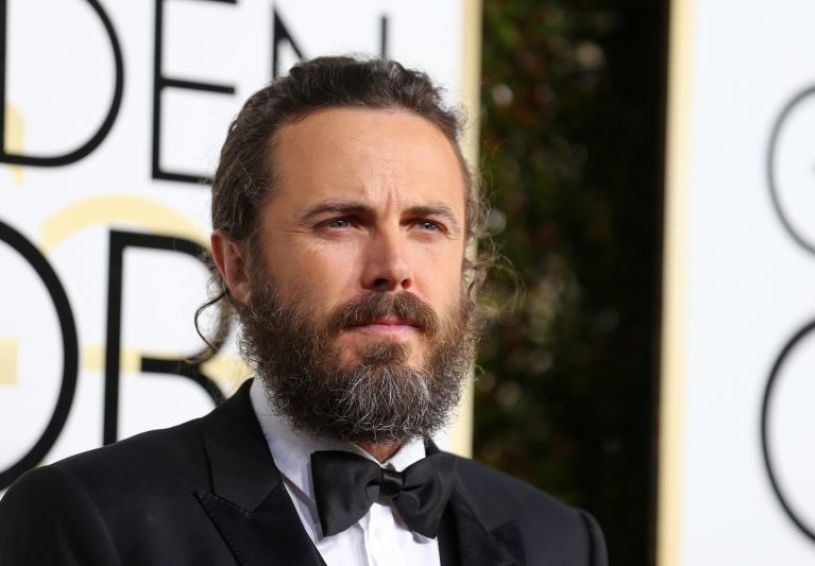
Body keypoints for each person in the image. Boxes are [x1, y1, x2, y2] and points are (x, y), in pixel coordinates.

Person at [0, 56, 607, 566]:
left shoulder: (560, 543)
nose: (393, 265)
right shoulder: (91, 522)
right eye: (341, 222)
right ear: (238, 266)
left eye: (427, 225)